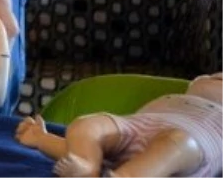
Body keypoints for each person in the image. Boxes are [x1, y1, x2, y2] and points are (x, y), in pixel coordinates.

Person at [15, 73, 223, 177]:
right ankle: (88, 167)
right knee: (87, 125)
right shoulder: (186, 94)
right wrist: (42, 138)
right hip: (137, 127)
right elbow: (71, 150)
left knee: (177, 142)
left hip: (193, 144)